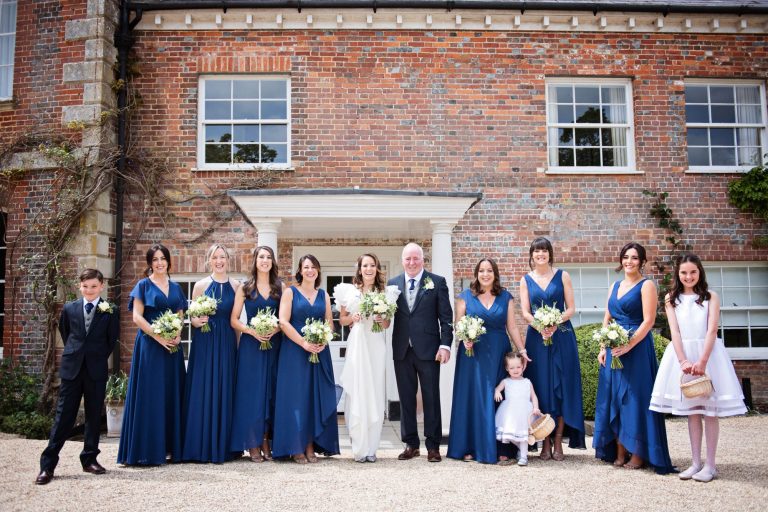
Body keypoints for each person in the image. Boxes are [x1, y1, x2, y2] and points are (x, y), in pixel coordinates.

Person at [650, 253, 747, 482]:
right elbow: (675, 332)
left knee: (710, 411)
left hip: (709, 354)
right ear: (678, 274)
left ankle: (710, 465)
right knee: (692, 411)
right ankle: (695, 463)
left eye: (693, 272)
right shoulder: (671, 298)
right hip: (682, 354)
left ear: (700, 272)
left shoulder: (710, 296)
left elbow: (712, 330)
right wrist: (683, 361)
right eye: (684, 272)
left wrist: (702, 362)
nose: (688, 276)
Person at [593, 242, 674, 474]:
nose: (629, 261)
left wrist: (628, 345)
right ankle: (619, 450)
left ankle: (639, 453)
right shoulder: (614, 285)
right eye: (626, 257)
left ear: (642, 261)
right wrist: (602, 347)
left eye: (635, 258)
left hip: (636, 348)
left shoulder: (646, 285)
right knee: (614, 399)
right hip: (612, 348)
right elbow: (607, 318)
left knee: (636, 399)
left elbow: (648, 321)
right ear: (621, 260)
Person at [36, 269, 119, 485]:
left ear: (102, 286)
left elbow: (111, 340)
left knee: (93, 416)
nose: (89, 290)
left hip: (95, 369)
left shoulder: (110, 310)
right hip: (72, 369)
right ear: (80, 286)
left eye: (93, 286)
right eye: (85, 286)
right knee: (63, 416)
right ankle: (48, 465)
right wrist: (78, 353)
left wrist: (95, 357)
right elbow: (66, 333)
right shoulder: (69, 308)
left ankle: (89, 459)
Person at [447, 258, 526, 464]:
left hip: (499, 352)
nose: (485, 274)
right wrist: (465, 339)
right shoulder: (464, 297)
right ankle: (469, 446)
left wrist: (522, 350)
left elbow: (513, 327)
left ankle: (502, 447)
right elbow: (458, 326)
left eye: (489, 270)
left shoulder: (506, 297)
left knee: (497, 397)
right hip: (472, 353)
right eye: (481, 270)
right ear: (476, 274)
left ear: (495, 273)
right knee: (472, 397)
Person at [117, 244, 187, 466]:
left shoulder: (176, 287)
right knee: (150, 394)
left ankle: (169, 448)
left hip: (172, 349)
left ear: (168, 261)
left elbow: (180, 315)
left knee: (170, 393)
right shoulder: (143, 285)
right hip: (150, 345)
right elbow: (137, 317)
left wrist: (176, 335)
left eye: (163, 258)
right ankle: (145, 450)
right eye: (155, 259)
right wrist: (158, 336)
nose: (159, 263)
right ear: (150, 263)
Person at [519, 238, 586, 460]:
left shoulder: (563, 276)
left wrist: (555, 322)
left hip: (563, 337)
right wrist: (541, 326)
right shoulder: (525, 280)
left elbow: (572, 308)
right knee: (542, 387)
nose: (541, 254)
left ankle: (558, 441)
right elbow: (526, 313)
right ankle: (544, 442)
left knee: (562, 387)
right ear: (531, 255)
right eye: (537, 251)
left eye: (544, 251)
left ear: (550, 254)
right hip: (537, 340)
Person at [388, 242, 453, 462]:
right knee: (406, 397)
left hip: (429, 350)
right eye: (408, 259)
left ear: (422, 260)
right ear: (402, 260)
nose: (412, 262)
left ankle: (433, 446)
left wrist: (445, 345)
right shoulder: (393, 284)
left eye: (416, 258)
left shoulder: (437, 282)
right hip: (402, 349)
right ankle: (411, 444)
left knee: (431, 397)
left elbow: (446, 318)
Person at [334, 253, 400, 463]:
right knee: (359, 388)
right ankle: (359, 447)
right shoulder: (349, 291)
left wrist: (382, 319)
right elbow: (342, 320)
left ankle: (372, 447)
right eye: (365, 265)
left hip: (376, 343)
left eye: (372, 265)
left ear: (377, 269)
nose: (369, 269)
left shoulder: (385, 293)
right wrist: (352, 318)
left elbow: (387, 324)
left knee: (375, 390)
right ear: (360, 269)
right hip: (358, 342)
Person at [272, 254, 339, 463]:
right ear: (300, 271)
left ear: (318, 271)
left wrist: (322, 338)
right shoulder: (290, 292)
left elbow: (329, 323)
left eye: (314, 267)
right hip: (295, 351)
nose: (310, 270)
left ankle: (311, 445)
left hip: (319, 352)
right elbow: (283, 321)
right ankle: (295, 446)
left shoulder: (324, 295)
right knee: (296, 398)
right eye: (306, 267)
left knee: (313, 397)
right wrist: (303, 342)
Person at [181, 244, 239, 463]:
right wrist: (196, 321)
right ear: (209, 260)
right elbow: (192, 318)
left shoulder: (236, 286)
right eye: (215, 257)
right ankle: (199, 445)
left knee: (224, 388)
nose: (219, 260)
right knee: (203, 388)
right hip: (205, 341)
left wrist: (239, 347)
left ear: (228, 260)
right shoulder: (200, 285)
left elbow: (235, 320)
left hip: (226, 341)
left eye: (222, 256)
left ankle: (224, 446)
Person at [230, 246, 283, 462]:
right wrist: (252, 331)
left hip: (274, 344)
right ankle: (252, 443)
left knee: (271, 392)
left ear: (273, 262)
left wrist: (275, 328)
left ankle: (266, 441)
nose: (265, 260)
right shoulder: (245, 287)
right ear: (255, 260)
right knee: (252, 395)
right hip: (251, 347)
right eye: (261, 257)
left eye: (269, 257)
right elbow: (234, 319)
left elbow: (285, 317)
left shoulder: (280, 286)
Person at [494, 352, 541, 467]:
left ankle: (523, 457)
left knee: (524, 435)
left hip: (525, 412)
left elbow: (533, 396)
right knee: (510, 435)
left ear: (523, 366)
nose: (515, 370)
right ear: (507, 368)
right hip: (509, 413)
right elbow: (497, 389)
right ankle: (521, 450)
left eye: (518, 367)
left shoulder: (527, 382)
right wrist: (497, 392)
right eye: (512, 367)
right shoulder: (506, 381)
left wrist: (536, 407)